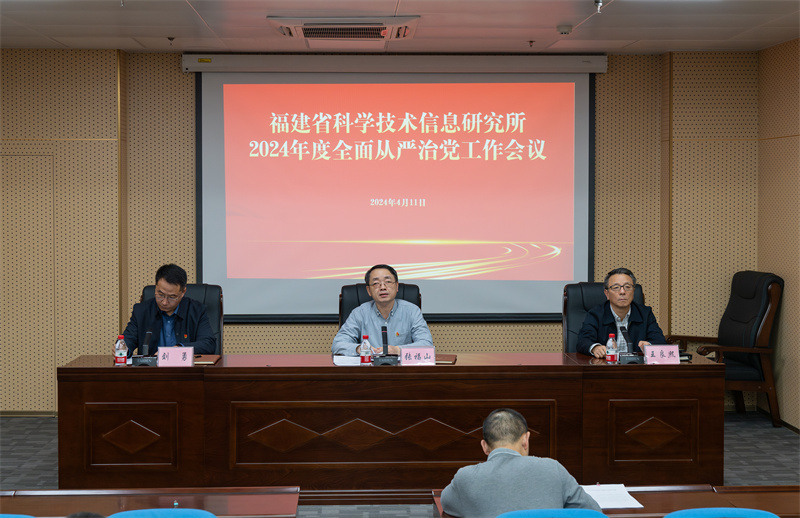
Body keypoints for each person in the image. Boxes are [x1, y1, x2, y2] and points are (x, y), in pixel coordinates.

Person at [441, 408, 601, 518]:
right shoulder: (553, 468)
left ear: (484, 446)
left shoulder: (466, 477)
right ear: (526, 439)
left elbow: (447, 505)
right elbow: (592, 512)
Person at [332, 264, 433, 356]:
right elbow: (338, 344)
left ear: (396, 286)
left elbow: (427, 344)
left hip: (401, 369)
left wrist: (398, 350)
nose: (382, 287)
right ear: (368, 290)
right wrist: (359, 348)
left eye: (388, 282)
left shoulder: (412, 311)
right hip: (369, 367)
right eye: (376, 283)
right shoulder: (359, 313)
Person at [122, 263, 215, 356]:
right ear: (155, 287)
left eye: (172, 297)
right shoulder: (141, 311)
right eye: (160, 295)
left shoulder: (196, 311)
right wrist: (123, 348)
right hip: (152, 365)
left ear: (183, 292)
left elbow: (208, 344)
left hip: (184, 365)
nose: (164, 302)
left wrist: (179, 349)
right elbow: (128, 339)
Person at [576, 267, 667, 358]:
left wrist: (649, 346)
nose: (622, 292)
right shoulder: (596, 314)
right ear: (607, 293)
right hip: (606, 364)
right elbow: (583, 341)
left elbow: (660, 340)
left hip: (636, 365)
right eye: (616, 287)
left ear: (633, 291)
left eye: (627, 287)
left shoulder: (645, 313)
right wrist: (595, 348)